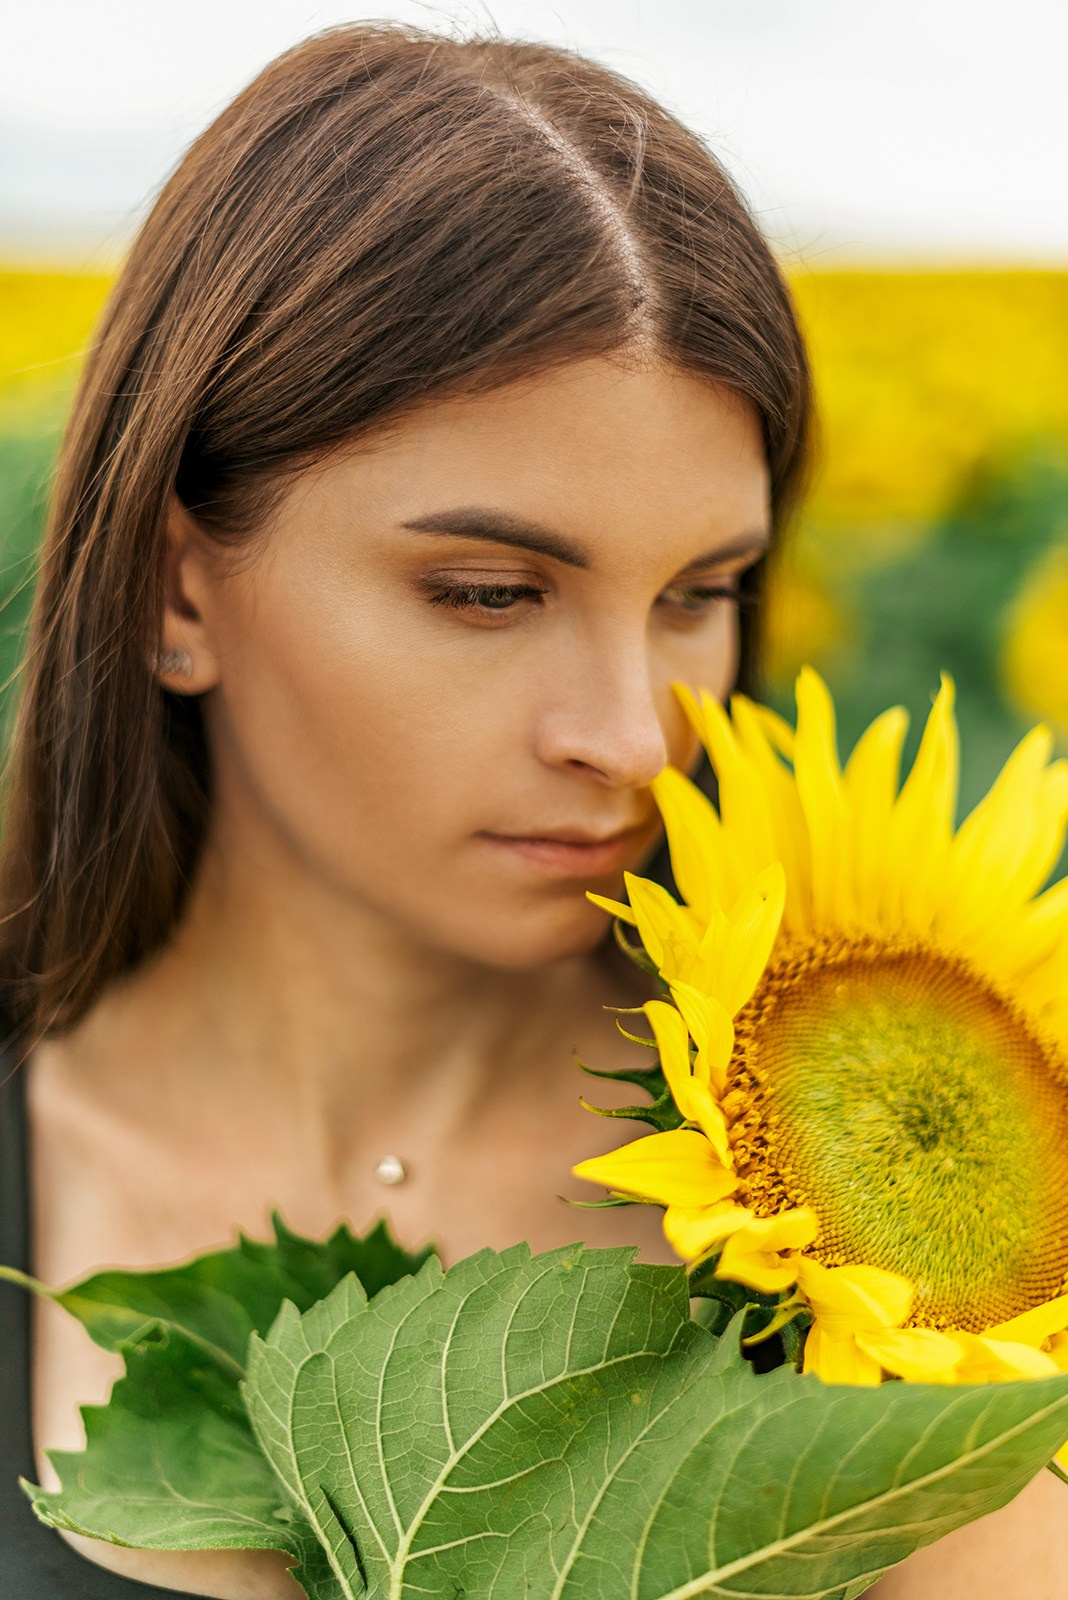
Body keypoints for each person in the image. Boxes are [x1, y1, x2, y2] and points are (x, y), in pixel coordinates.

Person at [0, 20, 1060, 1600]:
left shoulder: (876, 1217)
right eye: (490, 593)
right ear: (176, 589)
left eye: (703, 592)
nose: (632, 735)